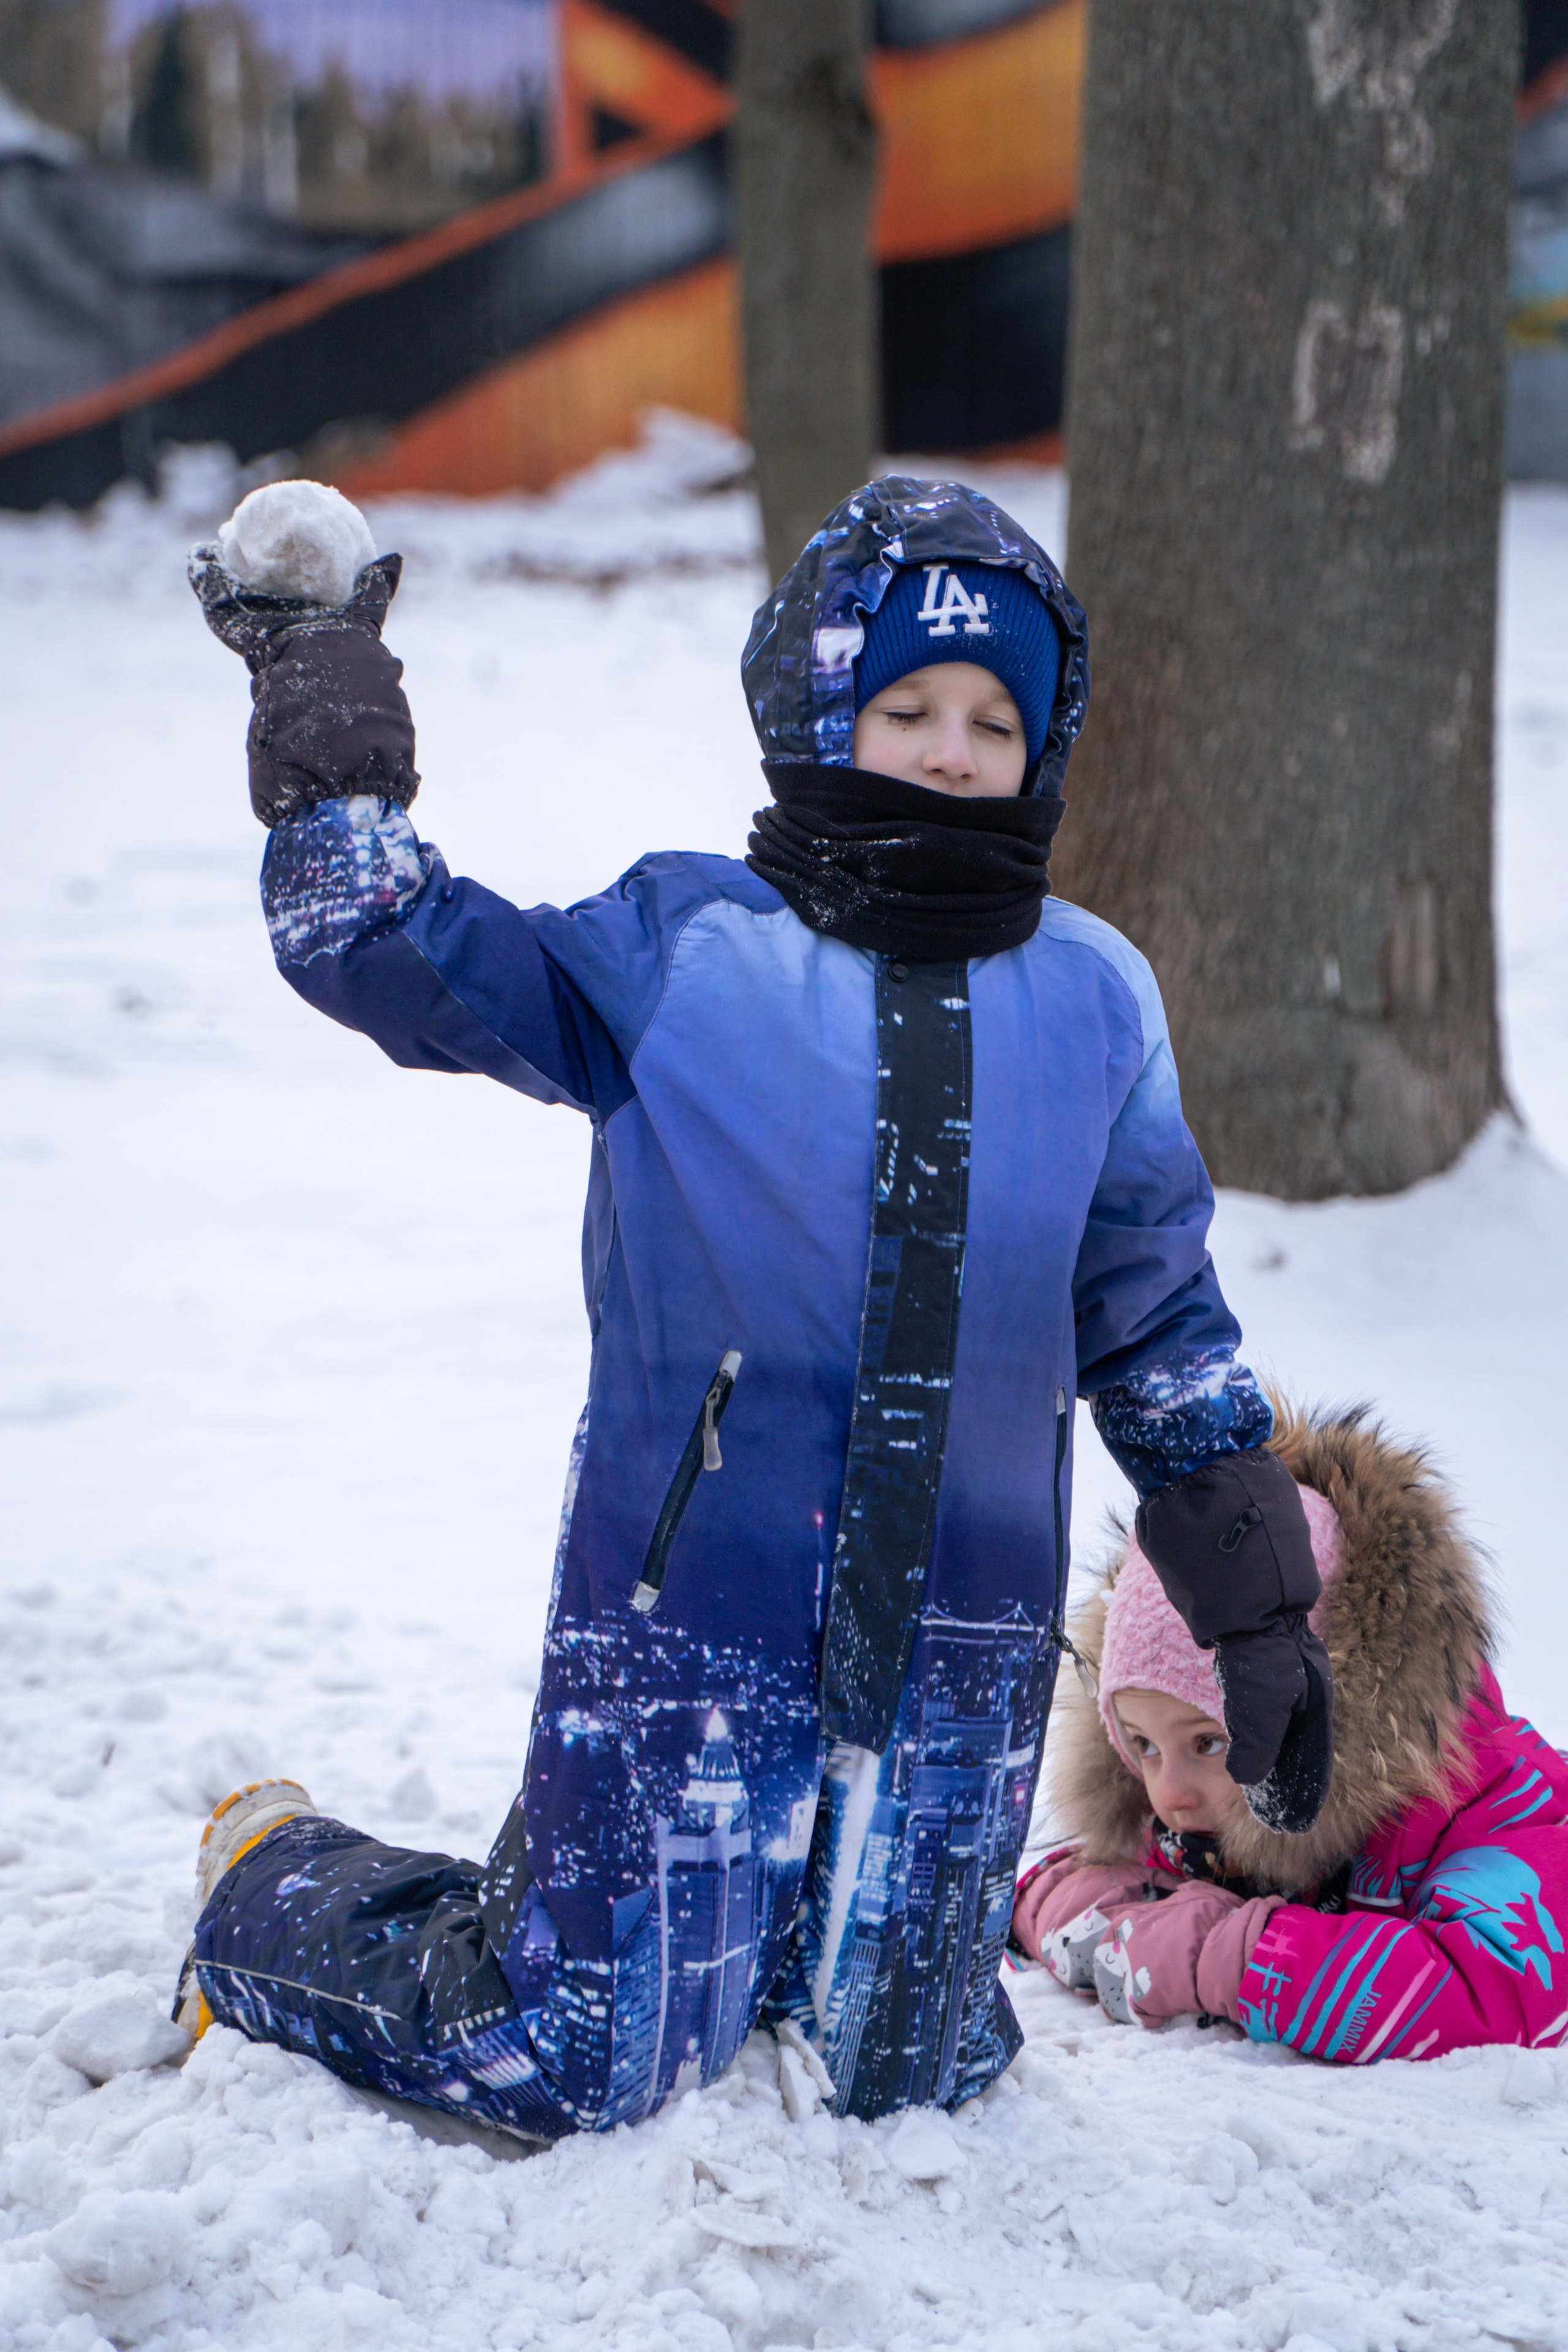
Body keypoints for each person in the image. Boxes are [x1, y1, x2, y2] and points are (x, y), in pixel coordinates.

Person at [175, 475, 1328, 2140]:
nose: (948, 748)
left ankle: (783, 1961)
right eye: (906, 706)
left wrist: (1259, 1609)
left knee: (905, 2075)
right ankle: (271, 1876)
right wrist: (319, 684)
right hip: (694, 1620)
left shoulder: (1094, 997)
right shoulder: (685, 946)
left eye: (992, 719)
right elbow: (386, 944)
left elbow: (1154, 1320)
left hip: (964, 1646)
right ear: (815, 713)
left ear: (1043, 747)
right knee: (569, 2056)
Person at [1012, 1403, 1568, 2059]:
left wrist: (1214, 1955)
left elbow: (1496, 1991)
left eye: (1210, 1742)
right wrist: (1127, 1932)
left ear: (1326, 1707)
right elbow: (1048, 1887)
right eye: (1143, 1747)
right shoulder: (1198, 1821)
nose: (1170, 1794)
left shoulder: (1489, 1801)